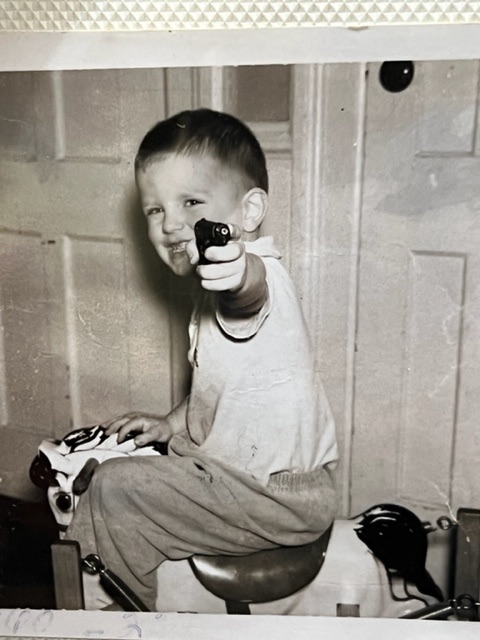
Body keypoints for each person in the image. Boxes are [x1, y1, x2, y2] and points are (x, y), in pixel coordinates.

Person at [66, 108, 338, 611]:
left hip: (276, 496)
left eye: (191, 202)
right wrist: (170, 424)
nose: (170, 224)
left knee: (113, 486)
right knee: (140, 461)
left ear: (248, 213)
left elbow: (250, 293)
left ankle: (110, 615)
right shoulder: (206, 294)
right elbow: (221, 389)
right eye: (154, 209)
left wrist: (237, 274)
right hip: (252, 483)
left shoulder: (261, 278)